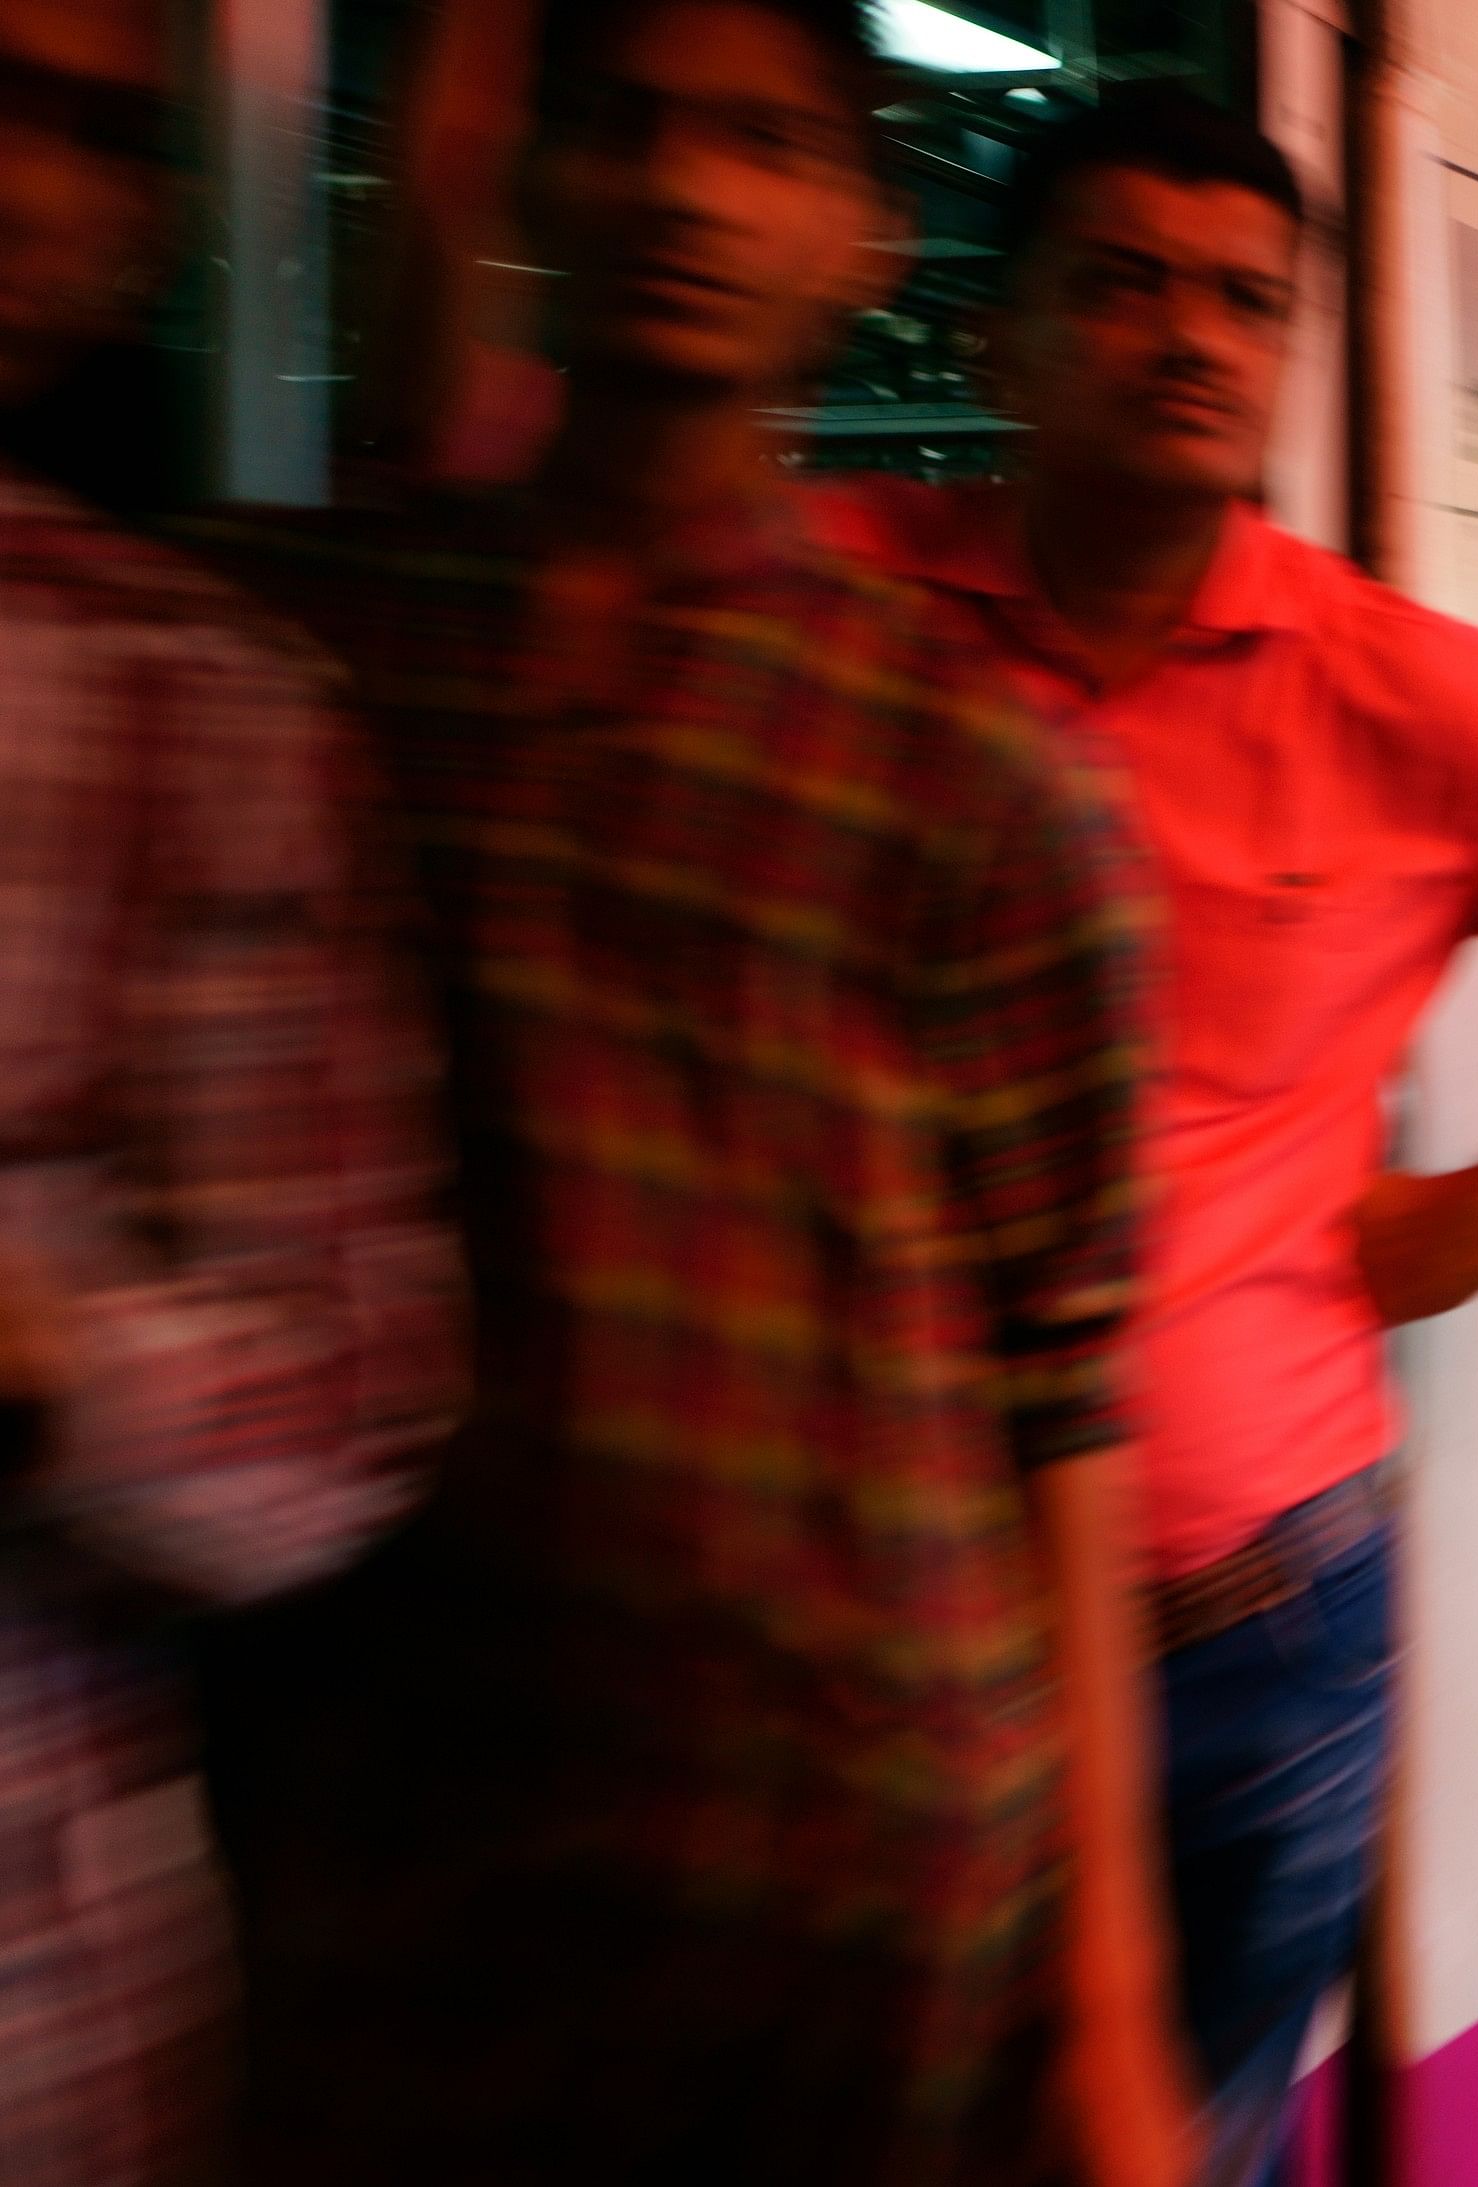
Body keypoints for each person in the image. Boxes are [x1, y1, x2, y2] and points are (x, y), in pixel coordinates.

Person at [816, 89, 1478, 2177]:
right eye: (1120, 284)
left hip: (1245, 1606)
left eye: (1242, 300)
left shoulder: (1387, 686)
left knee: (1170, 2141)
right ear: (1000, 338)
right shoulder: (842, 615)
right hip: (881, 1584)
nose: (1186, 339)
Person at [195, 4, 1189, 2180]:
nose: (680, 189)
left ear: (859, 230)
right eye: (626, 131)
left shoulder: (976, 772)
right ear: (534, 179)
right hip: (406, 1848)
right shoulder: (332, 649)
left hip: (851, 1868)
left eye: (756, 143)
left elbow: (1068, 1400)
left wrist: (1105, 2003)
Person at [0, 4, 462, 2176]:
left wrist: (46, 1352)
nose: (26, 187)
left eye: (91, 131)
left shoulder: (193, 704)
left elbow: (352, 1389)